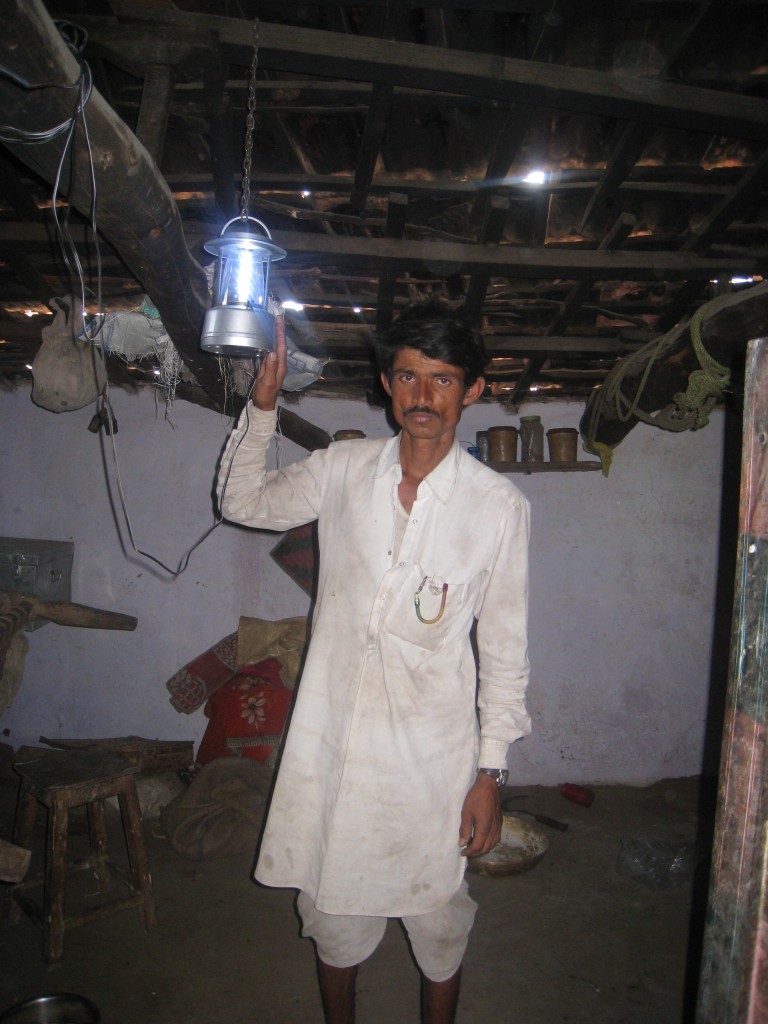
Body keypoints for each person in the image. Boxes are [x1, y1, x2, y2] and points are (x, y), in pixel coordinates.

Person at [216, 301, 531, 1024]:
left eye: (444, 380)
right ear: (388, 385)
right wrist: (260, 410)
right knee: (334, 914)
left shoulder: (497, 507)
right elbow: (241, 501)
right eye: (410, 378)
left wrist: (490, 774)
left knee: (439, 920)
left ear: (473, 390)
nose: (425, 397)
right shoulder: (343, 470)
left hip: (433, 755)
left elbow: (506, 650)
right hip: (337, 744)